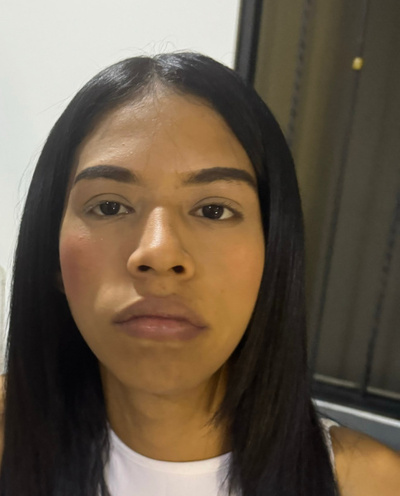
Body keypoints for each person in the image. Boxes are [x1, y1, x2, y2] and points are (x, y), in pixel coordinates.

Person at [0, 52, 399, 496]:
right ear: (52, 259)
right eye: (109, 206)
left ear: (273, 255)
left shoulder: (370, 483)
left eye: (214, 210)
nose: (159, 252)